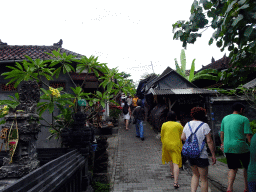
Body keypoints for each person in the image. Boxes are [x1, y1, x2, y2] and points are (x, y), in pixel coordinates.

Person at [181, 107, 216, 192]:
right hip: (201, 155)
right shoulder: (204, 125)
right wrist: (213, 155)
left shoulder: (187, 124)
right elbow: (209, 141)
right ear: (203, 115)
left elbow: (182, 137)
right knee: (203, 179)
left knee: (195, 175)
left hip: (190, 154)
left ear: (192, 114)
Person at [220, 102, 253, 192]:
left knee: (232, 168)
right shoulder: (244, 119)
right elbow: (248, 135)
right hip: (241, 147)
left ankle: (229, 188)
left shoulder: (225, 118)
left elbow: (222, 133)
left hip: (228, 147)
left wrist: (222, 144)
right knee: (247, 167)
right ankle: (246, 188)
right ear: (241, 109)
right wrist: (253, 146)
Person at [161, 111, 183, 189]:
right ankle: (175, 182)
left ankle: (172, 173)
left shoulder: (164, 124)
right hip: (175, 145)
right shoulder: (178, 125)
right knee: (176, 162)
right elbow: (182, 135)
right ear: (175, 117)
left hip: (166, 145)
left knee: (170, 159)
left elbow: (162, 135)